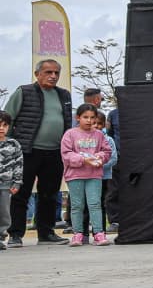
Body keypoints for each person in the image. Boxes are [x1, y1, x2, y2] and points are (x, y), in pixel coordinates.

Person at [4, 59, 73, 246]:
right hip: (26, 151)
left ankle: (46, 233)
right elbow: (7, 119)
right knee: (20, 193)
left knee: (49, 194)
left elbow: (67, 123)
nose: (53, 76)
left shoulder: (64, 95)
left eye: (56, 73)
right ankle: (16, 234)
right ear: (37, 74)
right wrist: (6, 147)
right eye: (48, 72)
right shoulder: (24, 92)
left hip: (54, 152)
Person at [60, 104, 111, 246]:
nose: (89, 120)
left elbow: (107, 151)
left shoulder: (99, 135)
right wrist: (83, 159)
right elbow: (66, 154)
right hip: (75, 175)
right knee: (77, 205)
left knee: (95, 204)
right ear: (78, 118)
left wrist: (99, 157)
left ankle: (99, 233)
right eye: (85, 117)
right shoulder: (70, 134)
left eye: (92, 117)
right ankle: (78, 234)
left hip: (94, 175)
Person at [0, 110, 22, 250]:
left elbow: (18, 164)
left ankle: (1, 236)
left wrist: (17, 182)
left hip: (6, 185)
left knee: (4, 213)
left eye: (5, 125)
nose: (1, 128)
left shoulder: (13, 144)